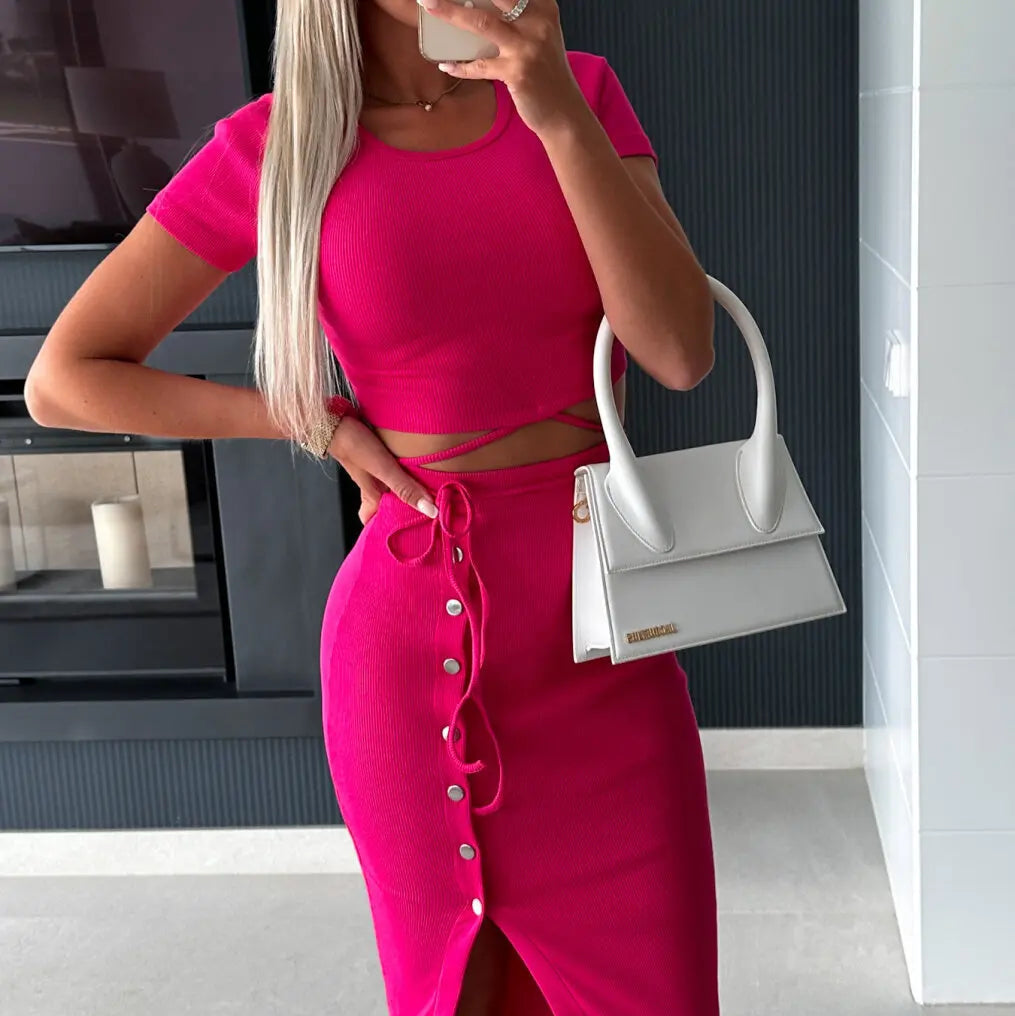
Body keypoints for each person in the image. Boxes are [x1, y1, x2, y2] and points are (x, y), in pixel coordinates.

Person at [25, 1, 720, 1012]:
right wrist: (311, 420)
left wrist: (556, 114)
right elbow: (64, 378)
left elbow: (679, 352)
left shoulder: (580, 91)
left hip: (604, 647)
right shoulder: (280, 144)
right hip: (410, 655)